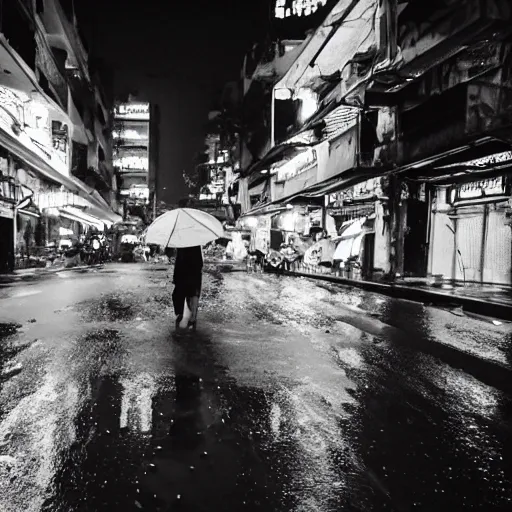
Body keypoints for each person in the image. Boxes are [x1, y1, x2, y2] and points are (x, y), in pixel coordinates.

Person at [172, 246, 203, 331]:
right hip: (193, 273)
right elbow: (200, 263)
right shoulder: (195, 244)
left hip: (185, 273)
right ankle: (191, 317)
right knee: (192, 295)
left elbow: (179, 261)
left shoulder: (182, 244)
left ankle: (182, 314)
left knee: (184, 295)